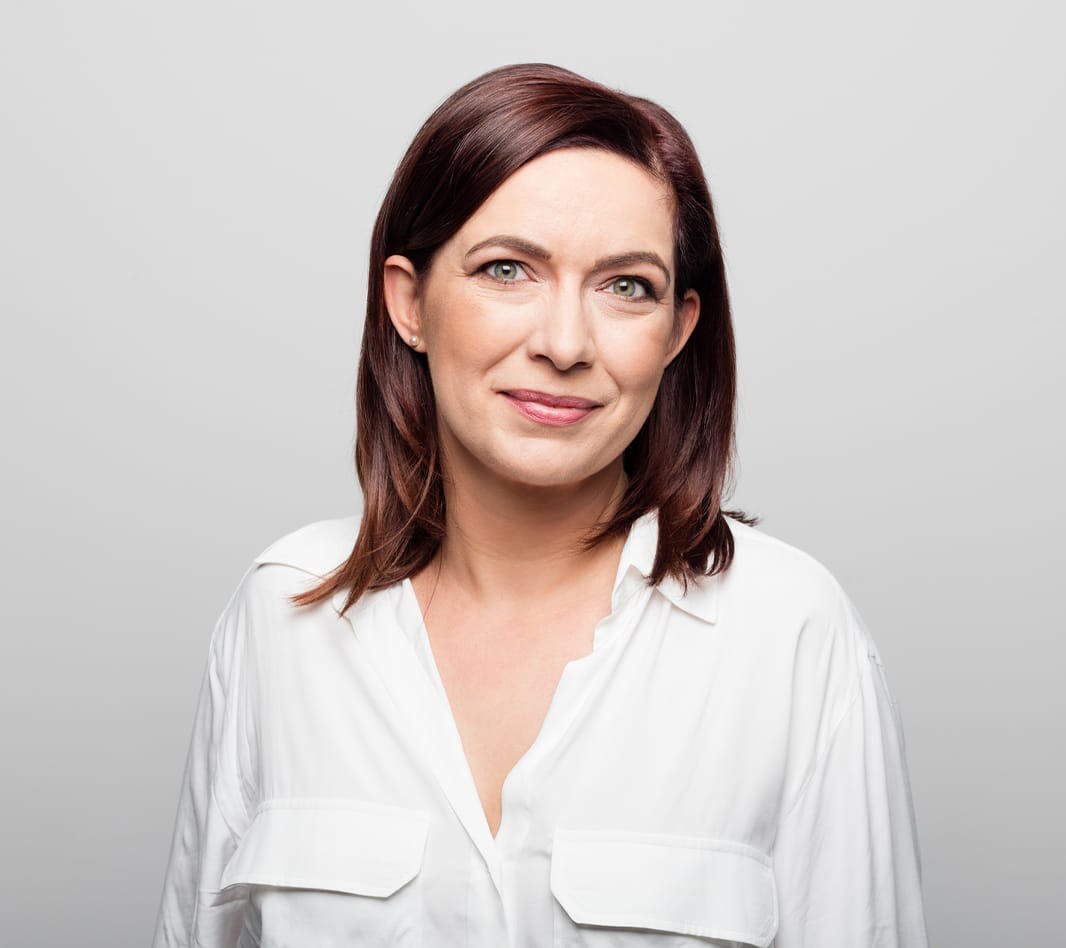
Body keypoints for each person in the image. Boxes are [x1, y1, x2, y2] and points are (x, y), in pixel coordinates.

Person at [151, 63, 929, 947]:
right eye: (507, 269)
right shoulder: (280, 615)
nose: (564, 344)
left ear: (678, 330)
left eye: (626, 286)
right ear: (408, 302)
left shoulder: (790, 632)